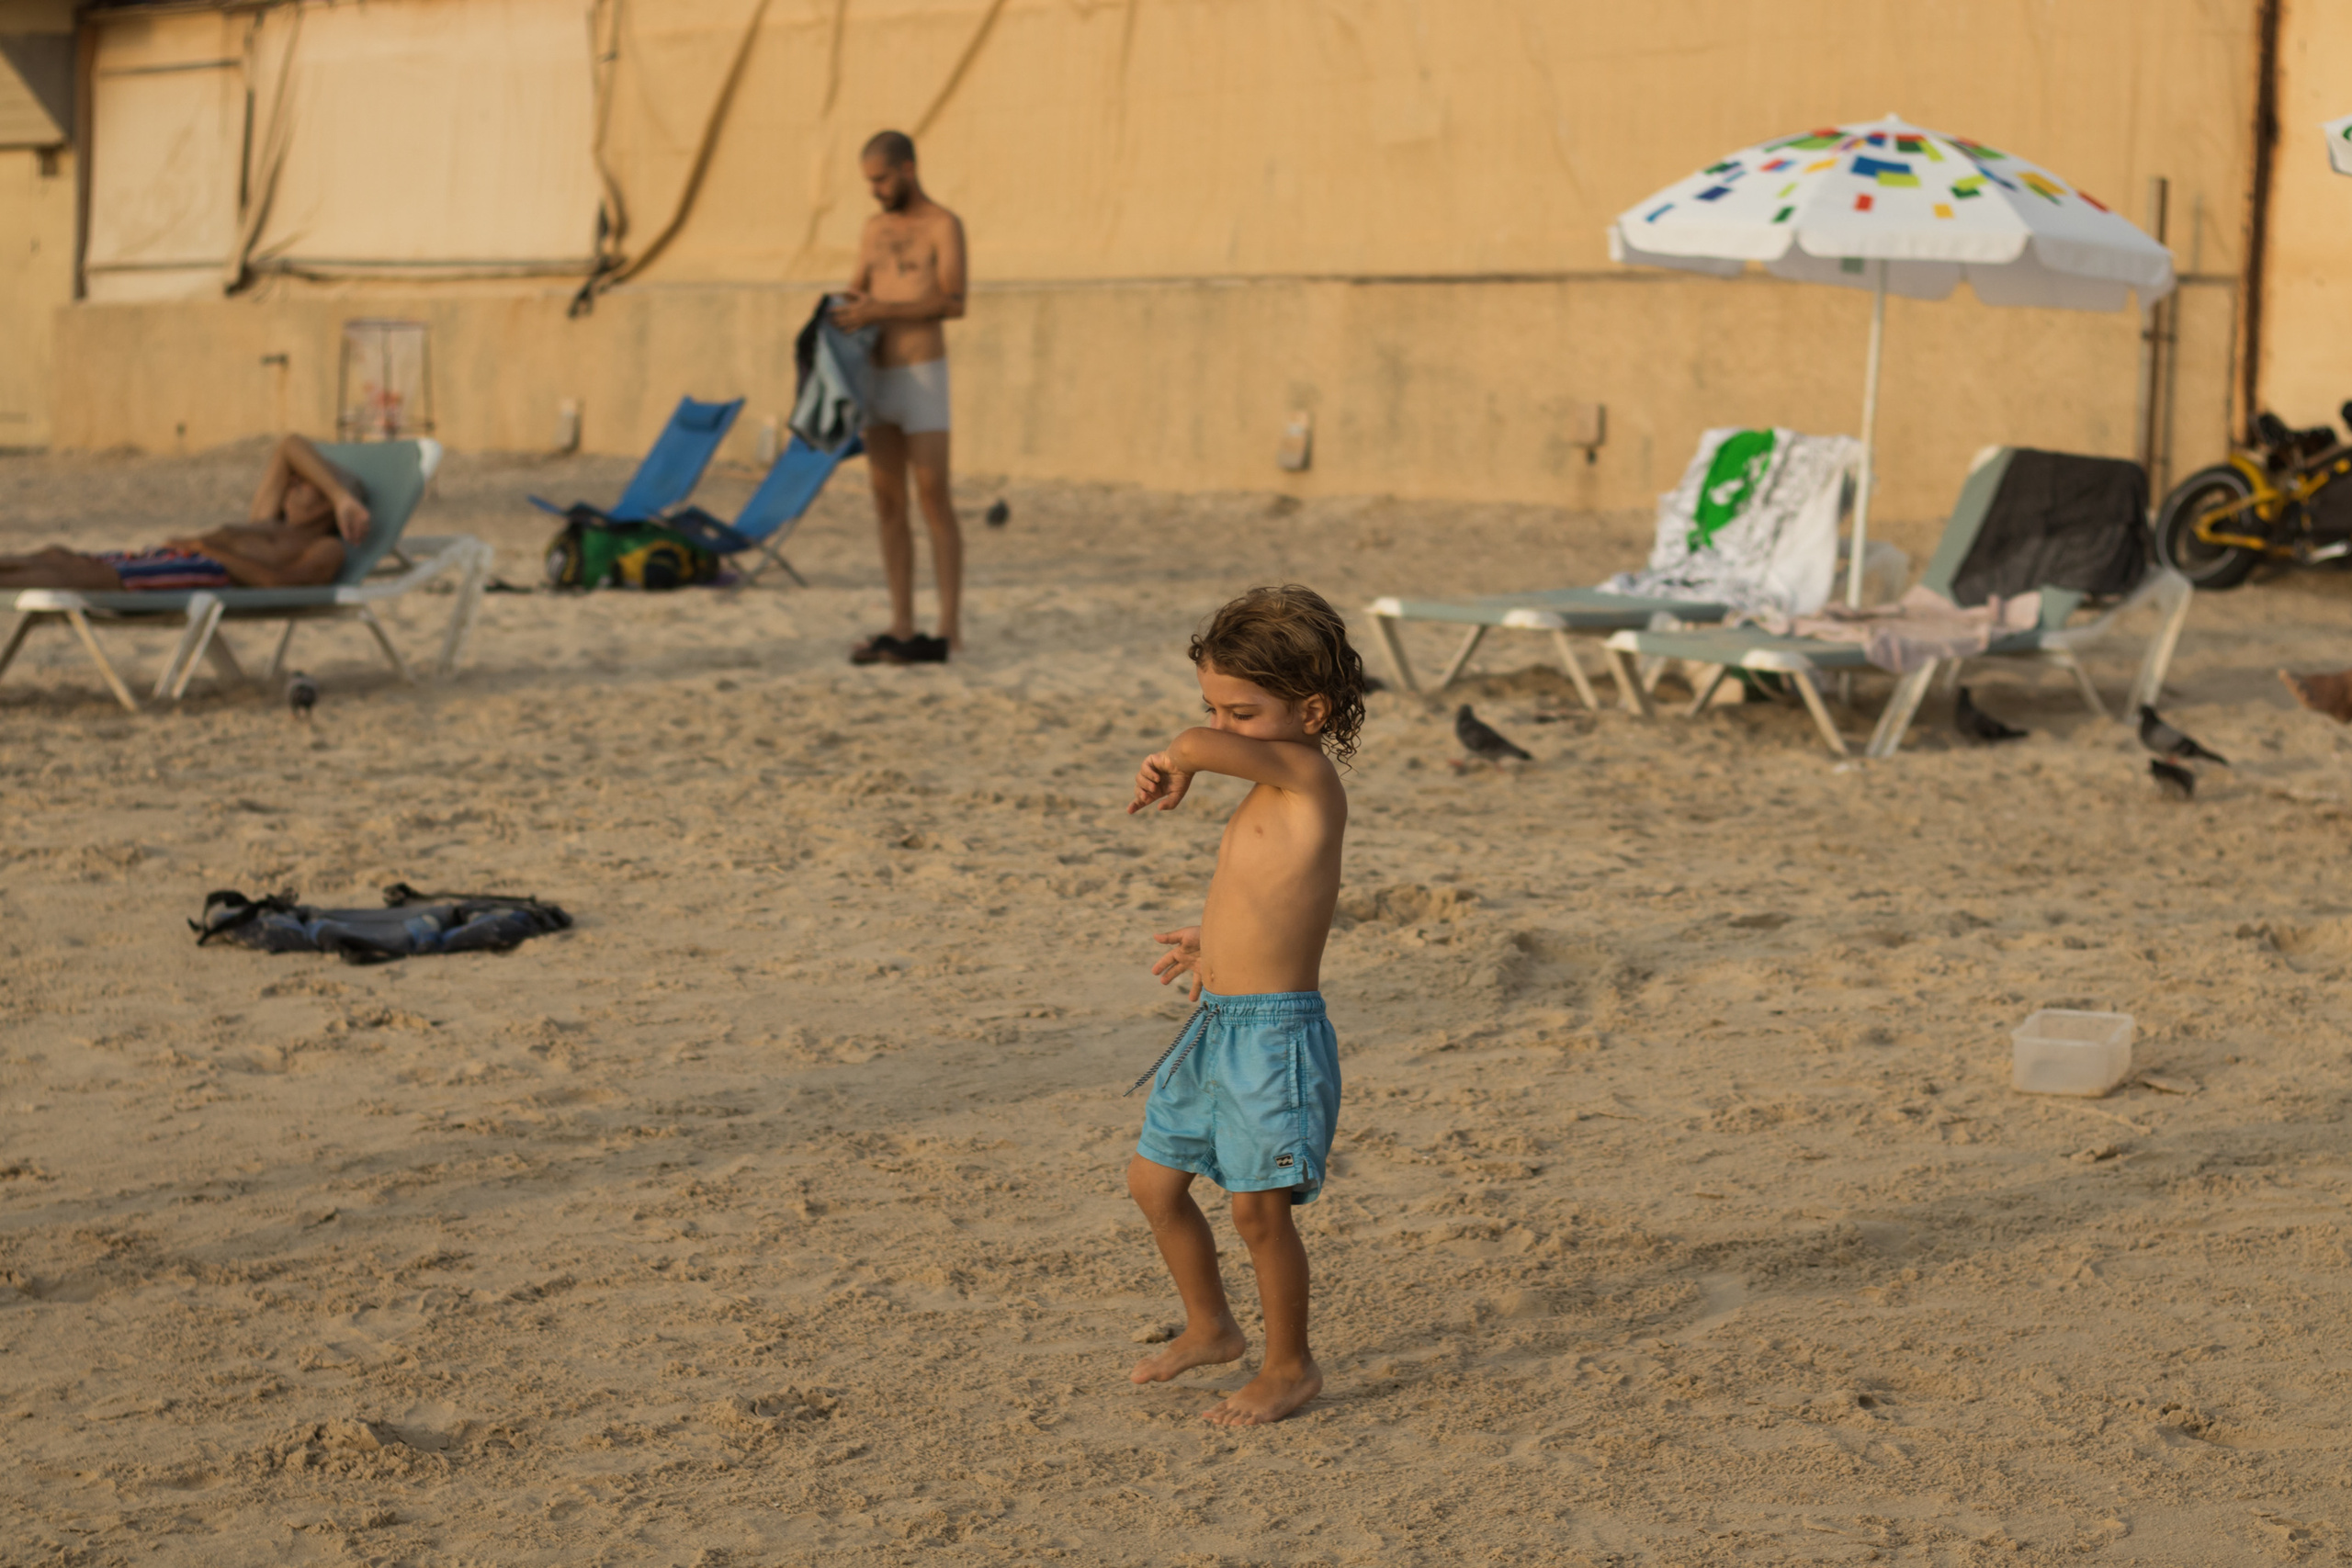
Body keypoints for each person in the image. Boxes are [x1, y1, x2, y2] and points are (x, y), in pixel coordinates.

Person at [1122, 585, 1366, 1427]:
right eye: (1213, 708)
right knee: (1154, 1181)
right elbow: (1262, 896)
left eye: (1242, 710)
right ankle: (1210, 1324)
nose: (1222, 728)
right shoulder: (1267, 787)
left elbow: (1192, 745)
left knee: (1258, 1210)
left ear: (1311, 709)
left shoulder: (1306, 774)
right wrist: (1211, 944)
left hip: (1274, 1038)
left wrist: (1181, 753)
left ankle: (1290, 1365)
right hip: (1216, 1021)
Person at [835, 130, 967, 666]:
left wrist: (878, 311)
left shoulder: (942, 224)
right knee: (887, 501)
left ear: (907, 169)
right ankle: (902, 621)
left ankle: (949, 626)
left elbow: (953, 300)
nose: (875, 190)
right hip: (877, 376)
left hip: (922, 373)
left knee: (933, 497)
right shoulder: (873, 229)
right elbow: (859, 292)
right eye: (869, 181)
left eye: (881, 178)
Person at [0, 434, 369, 592]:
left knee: (85, 575)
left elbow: (279, 585)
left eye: (306, 483)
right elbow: (290, 445)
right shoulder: (267, 520)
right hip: (177, 557)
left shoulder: (324, 546)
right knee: (58, 556)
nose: (292, 484)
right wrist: (340, 496)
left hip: (204, 572)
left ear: (329, 508)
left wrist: (206, 551)